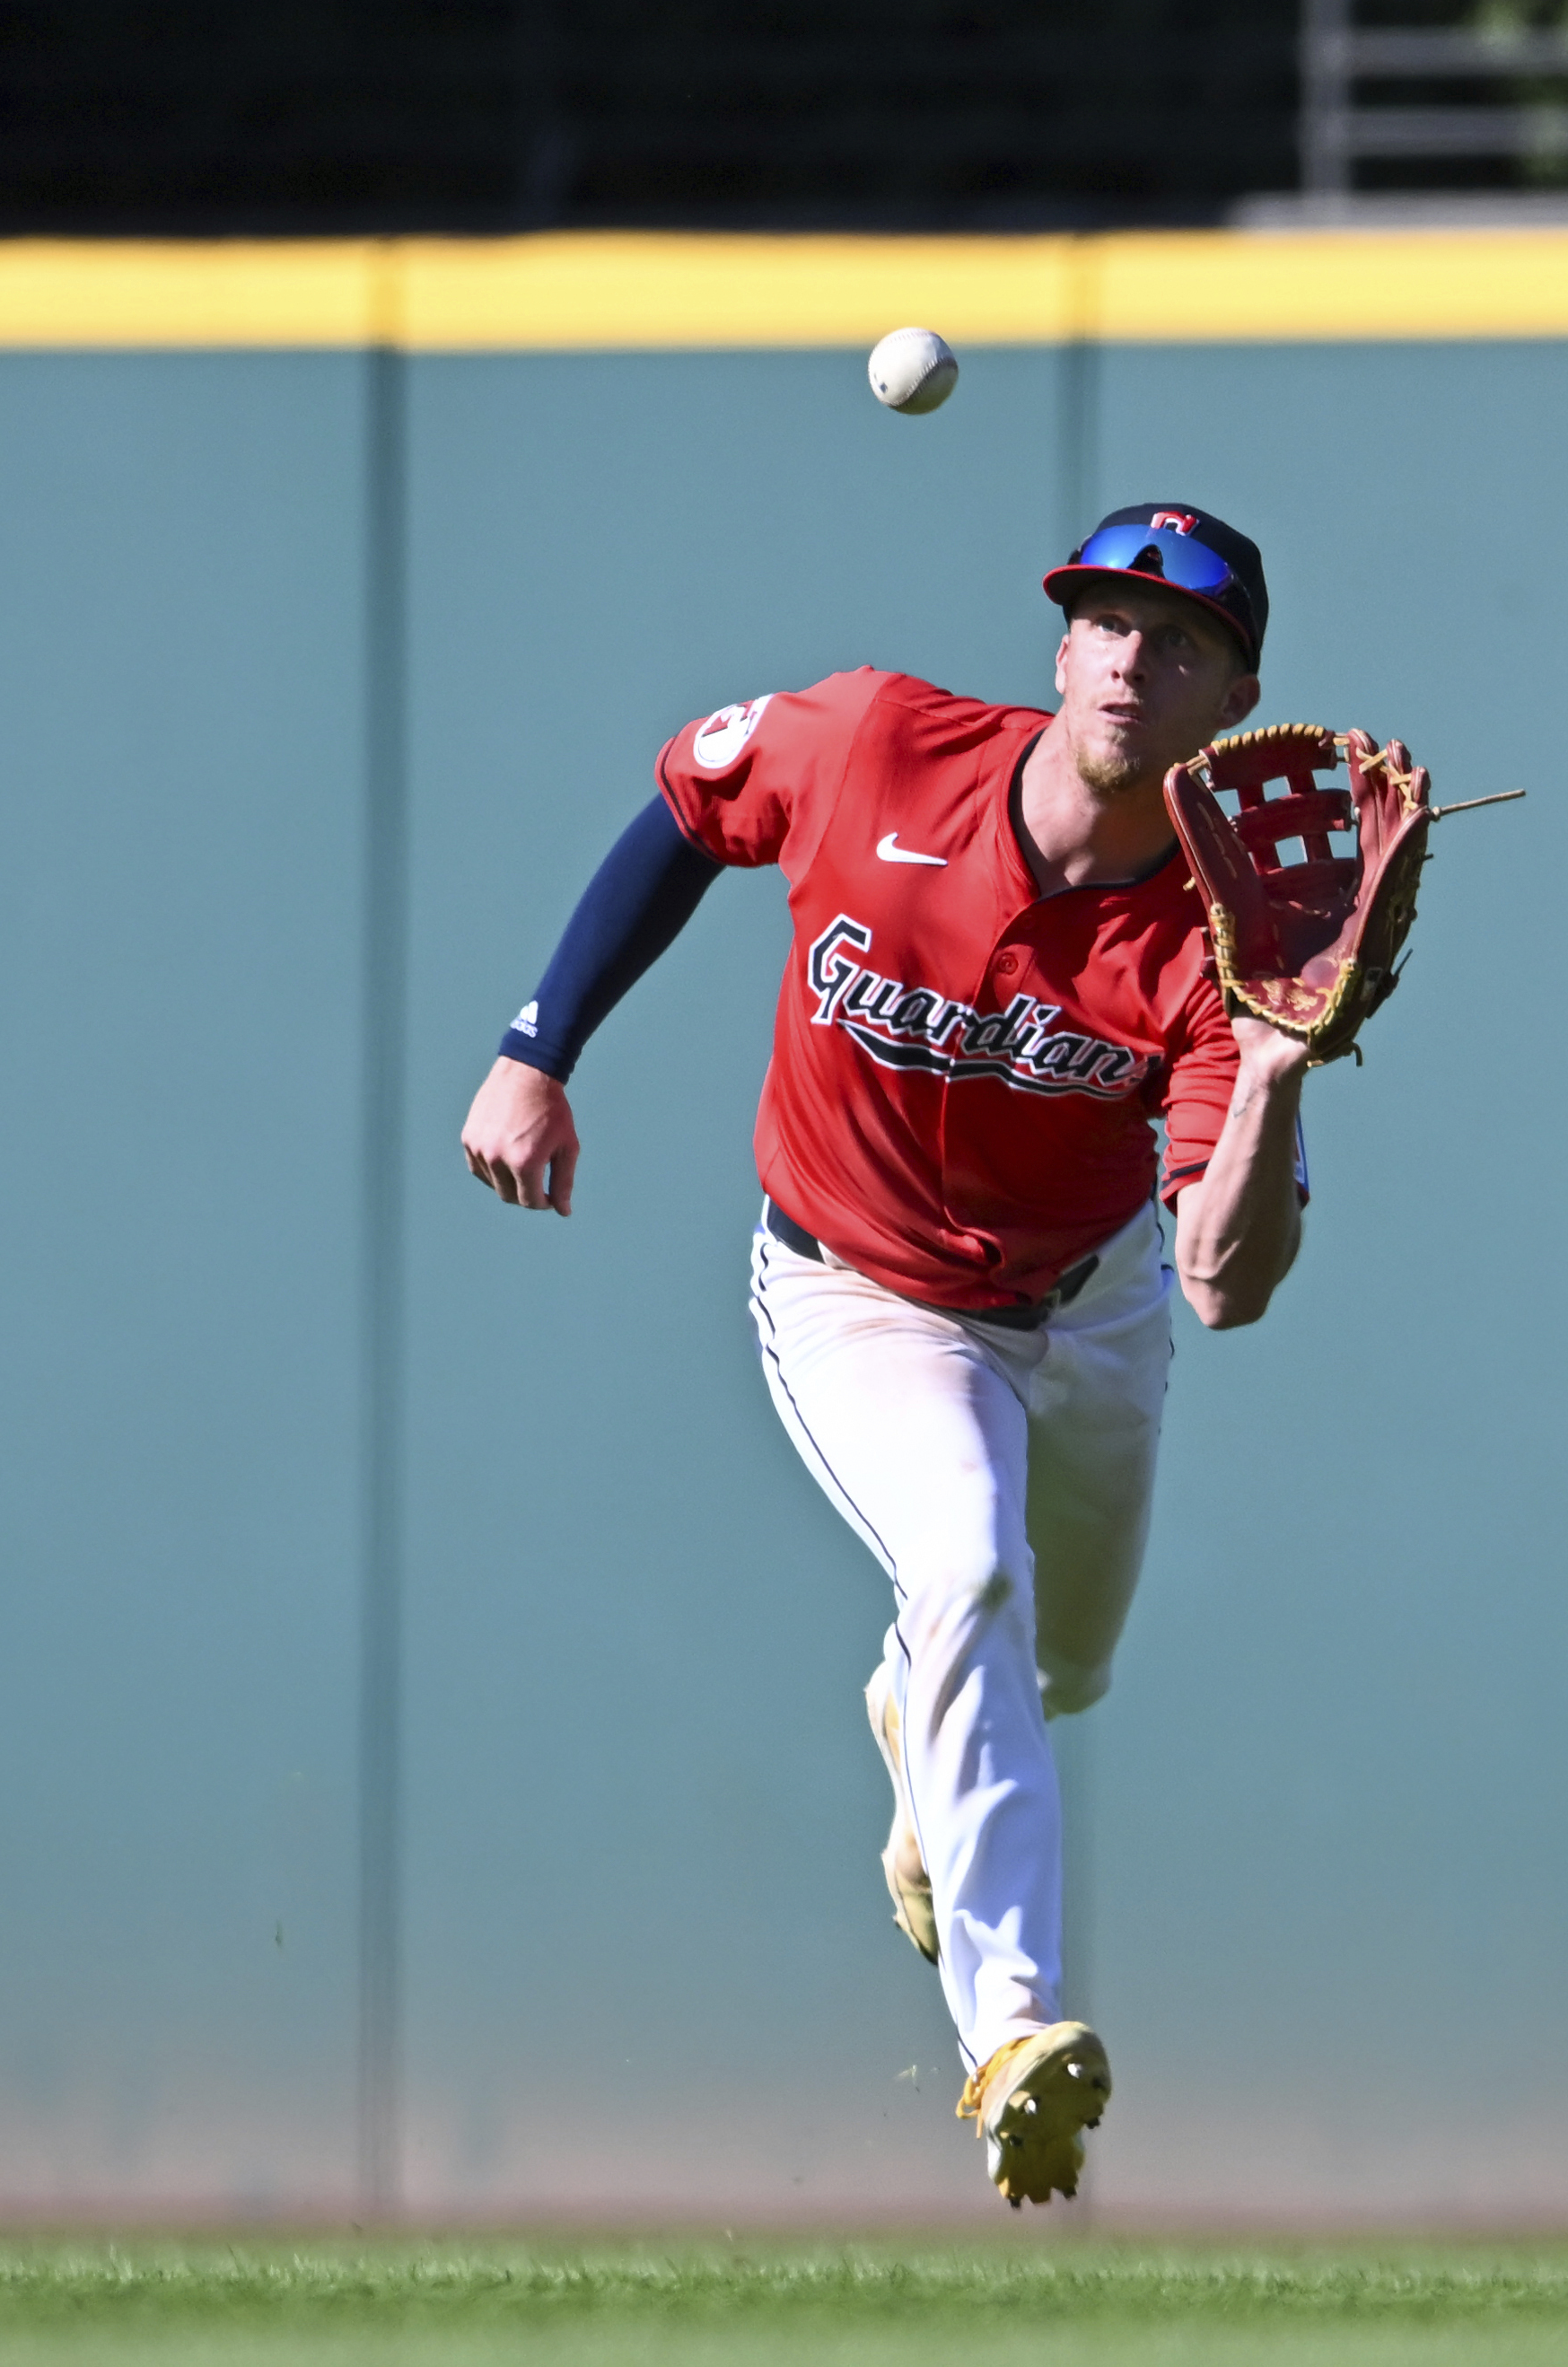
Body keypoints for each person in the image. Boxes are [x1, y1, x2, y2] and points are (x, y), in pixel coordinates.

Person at [461, 504, 1390, 2207]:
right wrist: (541, 1045)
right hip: (861, 1290)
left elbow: (1225, 1285)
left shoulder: (1218, 941)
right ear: (1058, 650)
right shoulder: (877, 744)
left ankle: (922, 1723)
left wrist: (1270, 1072)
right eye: (1105, 619)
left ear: (1234, 696)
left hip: (1090, 1302)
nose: (1130, 655)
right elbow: (687, 802)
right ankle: (1012, 2032)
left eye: (1176, 638)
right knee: (968, 1569)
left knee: (1064, 1667)